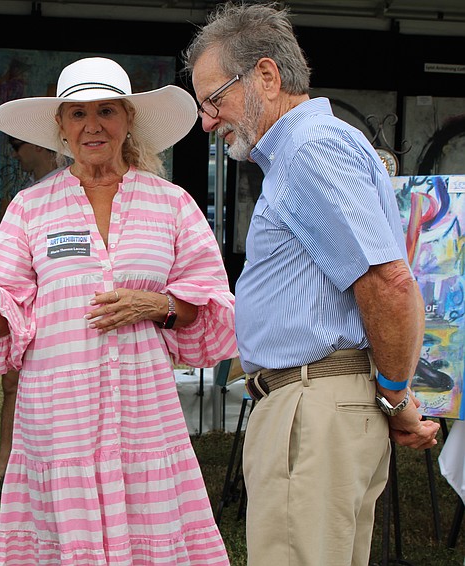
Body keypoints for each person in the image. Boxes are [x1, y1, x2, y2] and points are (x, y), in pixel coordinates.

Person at [0, 56, 236, 565]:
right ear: (61, 126)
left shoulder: (172, 204)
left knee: (150, 521)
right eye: (77, 113)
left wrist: (157, 303)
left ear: (128, 120)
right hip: (58, 414)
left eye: (105, 111)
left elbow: (207, 300)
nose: (92, 125)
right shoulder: (31, 208)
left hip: (144, 410)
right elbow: (9, 318)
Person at [183, 4, 440, 565]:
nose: (207, 121)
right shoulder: (308, 149)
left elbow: (389, 284)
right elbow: (392, 279)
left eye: (213, 99)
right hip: (315, 406)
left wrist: (395, 396)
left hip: (311, 408)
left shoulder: (309, 150)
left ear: (267, 77)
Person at [0, 136, 62, 482]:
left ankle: (15, 464)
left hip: (50, 317)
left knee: (26, 385)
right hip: (25, 308)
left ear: (38, 146)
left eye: (18, 148)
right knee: (13, 383)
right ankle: (6, 462)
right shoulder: (32, 198)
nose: (15, 157)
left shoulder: (58, 191)